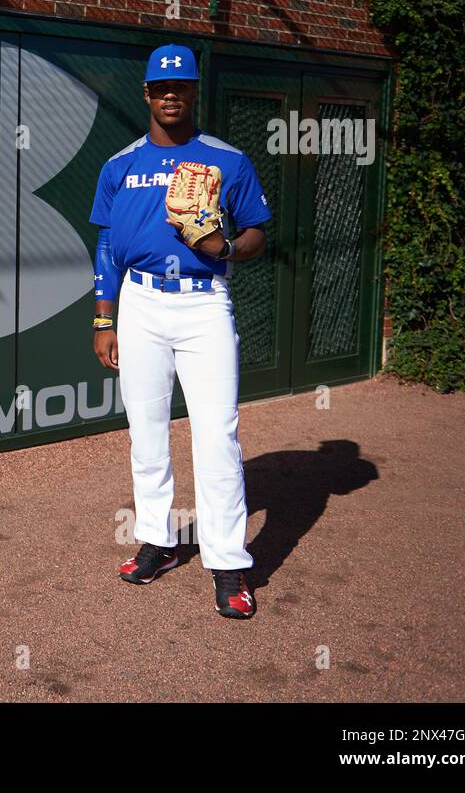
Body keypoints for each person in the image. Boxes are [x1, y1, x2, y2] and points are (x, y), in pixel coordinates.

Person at [89, 43, 271, 619]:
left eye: (182, 87)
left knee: (217, 436)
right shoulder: (118, 165)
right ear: (146, 94)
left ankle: (228, 561)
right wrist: (103, 316)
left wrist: (228, 247)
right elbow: (107, 246)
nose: (171, 95)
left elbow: (259, 233)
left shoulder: (226, 160)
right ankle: (160, 542)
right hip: (140, 303)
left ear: (194, 92)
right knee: (146, 432)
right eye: (161, 88)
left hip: (202, 305)